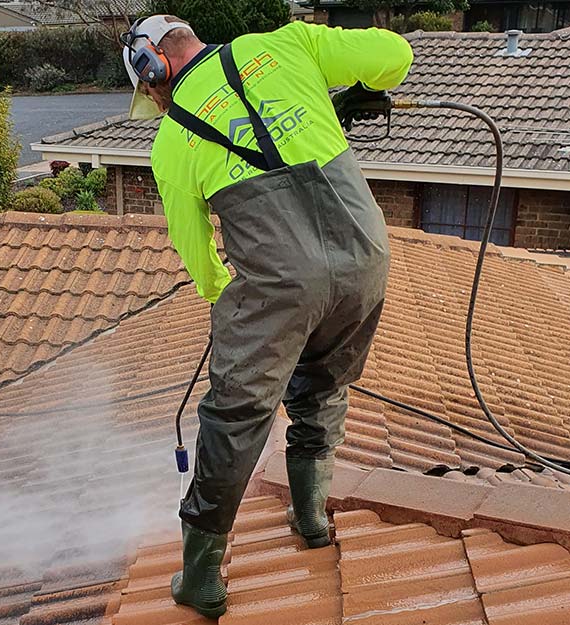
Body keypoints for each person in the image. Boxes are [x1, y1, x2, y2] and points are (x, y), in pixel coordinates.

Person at [121, 15, 413, 619]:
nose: (154, 101)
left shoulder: (172, 142)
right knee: (325, 384)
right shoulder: (288, 44)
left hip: (281, 284)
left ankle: (201, 577)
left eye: (149, 91)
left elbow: (197, 254)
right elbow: (395, 56)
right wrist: (323, 99)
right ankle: (310, 520)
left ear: (153, 72)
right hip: (366, 256)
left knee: (235, 415)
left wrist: (225, 293)